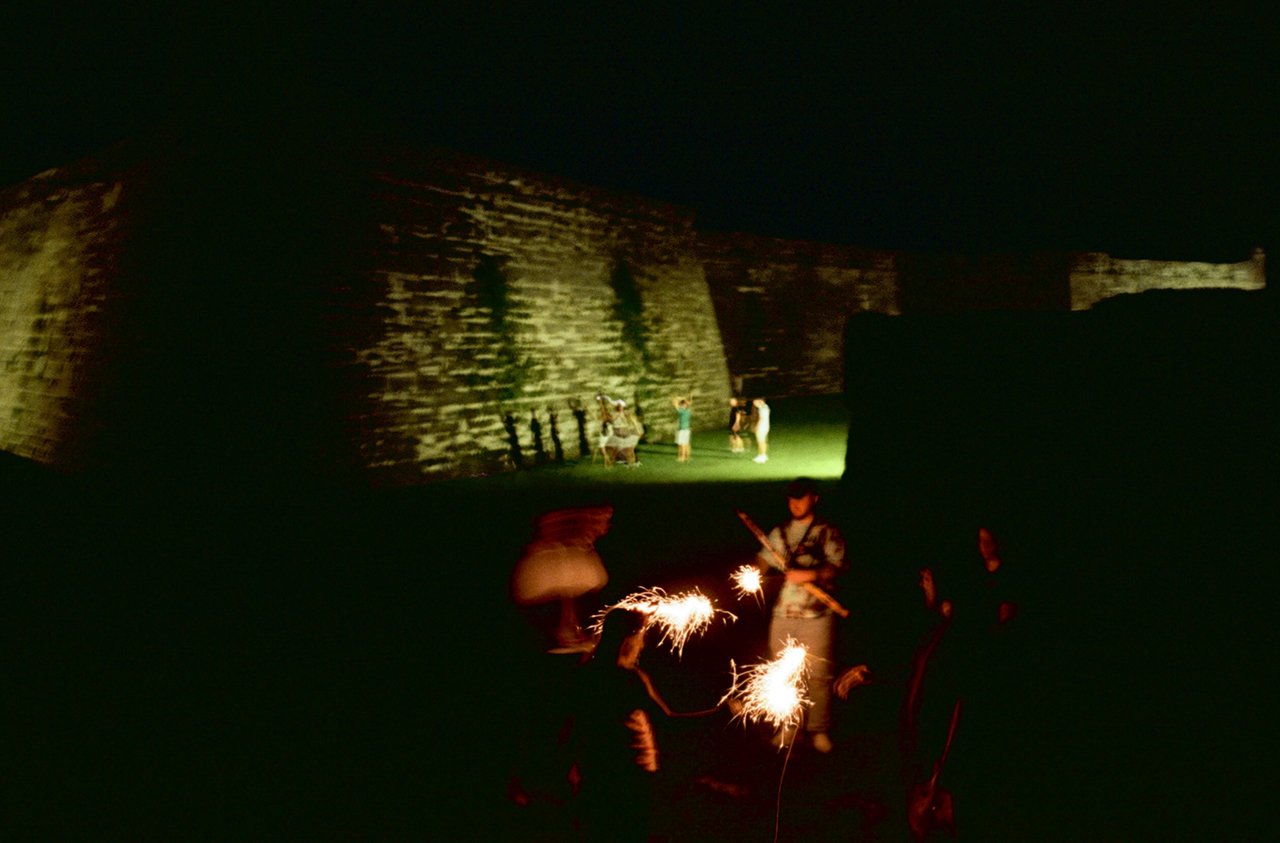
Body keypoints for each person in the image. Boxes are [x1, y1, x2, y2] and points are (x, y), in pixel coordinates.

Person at [565, 608, 728, 842]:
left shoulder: (586, 672)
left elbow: (573, 725)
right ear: (628, 639)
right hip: (631, 775)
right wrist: (719, 716)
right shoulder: (629, 678)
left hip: (595, 771)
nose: (642, 645)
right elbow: (667, 722)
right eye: (641, 637)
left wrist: (572, 768)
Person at [756, 477, 847, 752]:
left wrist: (811, 574)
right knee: (782, 674)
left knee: (818, 674)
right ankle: (789, 726)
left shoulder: (826, 532)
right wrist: (756, 569)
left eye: (801, 497)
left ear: (814, 499)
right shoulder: (780, 533)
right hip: (784, 615)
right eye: (791, 499)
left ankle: (818, 729)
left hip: (817, 616)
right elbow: (763, 559)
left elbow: (837, 567)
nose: (795, 504)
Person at [671, 394, 693, 462]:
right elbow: (689, 403)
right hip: (687, 429)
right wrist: (685, 399)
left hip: (682, 429)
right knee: (686, 444)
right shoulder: (688, 410)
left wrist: (679, 398)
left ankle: (682, 457)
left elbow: (674, 403)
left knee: (682, 444)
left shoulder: (682, 411)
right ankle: (687, 457)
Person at [752, 397, 771, 463]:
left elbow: (761, 418)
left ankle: (761, 456)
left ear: (760, 401)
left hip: (762, 427)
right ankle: (763, 455)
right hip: (766, 426)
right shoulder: (766, 407)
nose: (755, 404)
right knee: (763, 441)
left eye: (755, 403)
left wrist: (757, 427)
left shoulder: (762, 408)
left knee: (760, 442)